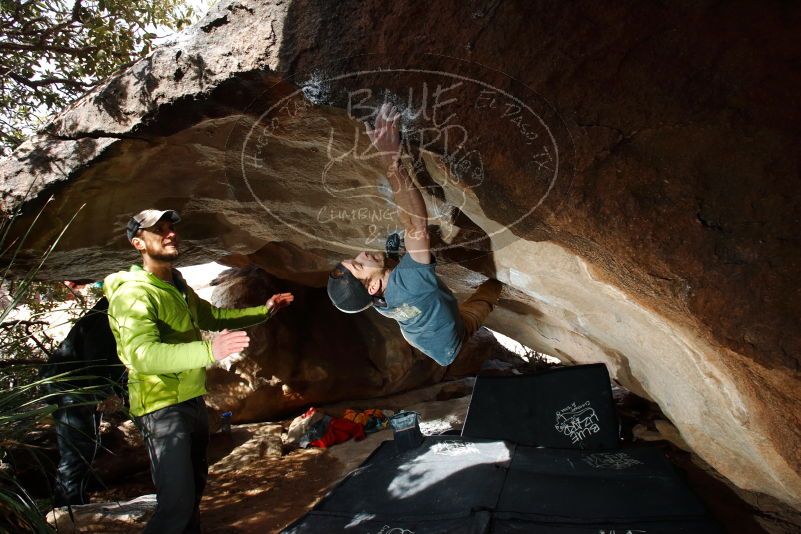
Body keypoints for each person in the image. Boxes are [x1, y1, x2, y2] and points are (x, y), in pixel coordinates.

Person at [104, 209, 293, 534]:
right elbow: (141, 355)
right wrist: (209, 351)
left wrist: (264, 311)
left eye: (170, 228)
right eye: (158, 230)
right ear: (138, 243)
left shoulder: (176, 284)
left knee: (191, 496)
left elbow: (213, 318)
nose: (170, 233)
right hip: (161, 408)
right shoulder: (133, 293)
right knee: (176, 506)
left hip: (191, 400)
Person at [327, 104, 502, 366]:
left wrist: (392, 258)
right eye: (358, 264)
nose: (361, 254)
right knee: (491, 291)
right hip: (451, 341)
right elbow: (416, 226)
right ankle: (496, 288)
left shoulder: (375, 298)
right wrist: (391, 161)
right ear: (373, 286)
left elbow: (410, 228)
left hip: (422, 332)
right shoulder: (407, 284)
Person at [40, 294, 125, 507]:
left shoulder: (114, 308)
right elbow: (97, 359)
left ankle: (75, 503)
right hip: (69, 386)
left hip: (77, 384)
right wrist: (109, 392)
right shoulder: (111, 314)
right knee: (76, 450)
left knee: (85, 446)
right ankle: (68, 509)